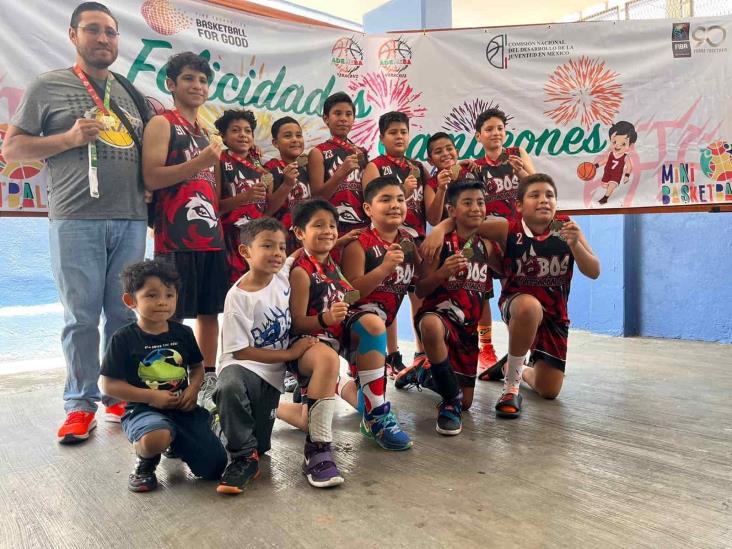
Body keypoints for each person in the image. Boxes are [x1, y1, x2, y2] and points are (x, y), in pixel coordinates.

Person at [3, 2, 150, 441]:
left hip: (131, 219)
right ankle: (79, 404)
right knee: (80, 318)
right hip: (75, 218)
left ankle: (117, 395)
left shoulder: (128, 91)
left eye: (111, 32)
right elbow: (12, 151)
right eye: (94, 30)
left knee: (123, 317)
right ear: (73, 35)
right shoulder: (48, 85)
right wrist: (68, 138)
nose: (104, 39)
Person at [425, 174, 600, 418]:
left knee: (549, 390)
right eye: (535, 195)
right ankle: (511, 388)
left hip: (555, 316)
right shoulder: (507, 227)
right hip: (517, 304)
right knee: (529, 306)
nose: (543, 200)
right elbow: (466, 222)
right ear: (519, 206)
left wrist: (576, 245)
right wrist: (439, 229)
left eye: (550, 195)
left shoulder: (566, 227)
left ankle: (511, 366)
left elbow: (594, 271)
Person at [213, 217, 343, 493]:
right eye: (268, 246)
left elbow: (304, 251)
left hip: (271, 376)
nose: (277, 253)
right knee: (231, 390)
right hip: (244, 367)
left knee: (263, 445)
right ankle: (241, 458)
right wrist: (290, 353)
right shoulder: (239, 297)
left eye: (281, 247)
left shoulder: (283, 273)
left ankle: (237, 433)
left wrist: (341, 238)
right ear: (246, 252)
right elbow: (241, 351)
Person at [290, 199, 413, 451]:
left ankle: (374, 415)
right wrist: (325, 319)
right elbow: (296, 324)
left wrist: (340, 241)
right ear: (300, 232)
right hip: (311, 343)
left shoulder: (331, 257)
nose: (328, 231)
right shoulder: (301, 271)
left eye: (332, 225)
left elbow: (349, 292)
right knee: (308, 420)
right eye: (318, 226)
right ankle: (272, 410)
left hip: (336, 334)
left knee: (373, 328)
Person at [142, 52, 226, 413]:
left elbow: (213, 193)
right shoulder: (163, 124)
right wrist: (198, 163)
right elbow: (152, 177)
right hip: (174, 237)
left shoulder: (207, 133)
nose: (198, 86)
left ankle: (206, 380)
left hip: (211, 238)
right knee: (169, 314)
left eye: (203, 81)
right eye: (189, 79)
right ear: (171, 85)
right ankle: (169, 382)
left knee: (210, 312)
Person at [100, 259, 227, 492]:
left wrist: (192, 390)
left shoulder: (183, 333)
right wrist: (149, 396)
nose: (162, 302)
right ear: (131, 301)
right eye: (151, 295)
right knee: (156, 436)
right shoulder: (123, 338)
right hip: (143, 410)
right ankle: (145, 461)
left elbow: (197, 367)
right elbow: (107, 384)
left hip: (183, 410)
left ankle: (176, 440)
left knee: (215, 468)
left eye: (169, 295)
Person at [414, 180, 494, 435]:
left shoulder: (488, 243)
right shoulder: (439, 242)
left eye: (480, 202)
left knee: (468, 403)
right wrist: (441, 273)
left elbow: (486, 294)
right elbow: (420, 289)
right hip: (439, 315)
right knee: (430, 324)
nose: (475, 208)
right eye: (467, 203)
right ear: (452, 210)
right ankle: (449, 402)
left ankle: (423, 372)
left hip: (467, 330)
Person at [341, 176, 419, 410]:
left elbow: (422, 285)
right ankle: (334, 379)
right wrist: (384, 269)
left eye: (400, 199)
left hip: (378, 327)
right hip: (352, 326)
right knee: (373, 407)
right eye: (385, 199)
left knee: (365, 406)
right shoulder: (358, 243)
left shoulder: (408, 241)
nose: (395, 205)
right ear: (368, 209)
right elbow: (349, 296)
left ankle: (424, 368)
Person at [361, 112, 427, 377]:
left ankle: (421, 353)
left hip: (414, 239)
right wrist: (405, 192)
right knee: (384, 291)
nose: (399, 136)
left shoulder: (418, 167)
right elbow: (372, 200)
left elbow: (431, 213)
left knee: (416, 295)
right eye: (393, 132)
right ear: (381, 137)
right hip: (385, 239)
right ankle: (391, 353)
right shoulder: (375, 166)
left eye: (403, 132)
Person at [473, 108, 536, 378]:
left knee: (518, 291)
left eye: (499, 128)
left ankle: (521, 353)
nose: (495, 133)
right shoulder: (475, 167)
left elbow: (535, 187)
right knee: (484, 291)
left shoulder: (517, 154)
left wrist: (521, 173)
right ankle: (485, 347)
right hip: (490, 237)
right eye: (489, 129)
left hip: (518, 234)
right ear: (479, 136)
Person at [214, 109, 270, 283]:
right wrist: (246, 196)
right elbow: (215, 206)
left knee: (257, 289)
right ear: (223, 136)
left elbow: (267, 208)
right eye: (235, 130)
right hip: (229, 239)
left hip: (257, 239)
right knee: (233, 290)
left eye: (247, 131)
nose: (243, 135)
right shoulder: (219, 160)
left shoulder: (259, 165)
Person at [307, 92, 369, 237]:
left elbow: (369, 192)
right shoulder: (318, 152)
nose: (343, 119)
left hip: (363, 224)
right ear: (326, 119)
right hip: (332, 226)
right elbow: (316, 197)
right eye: (337, 113)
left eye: (348, 114)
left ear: (354, 119)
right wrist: (341, 173)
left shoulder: (361, 152)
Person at [263, 116, 312, 254]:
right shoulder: (269, 169)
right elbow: (266, 210)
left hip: (305, 238)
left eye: (298, 135)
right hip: (280, 240)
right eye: (287, 136)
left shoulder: (307, 169)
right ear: (275, 143)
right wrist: (286, 184)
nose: (295, 139)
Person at [596, 121, 637, 205]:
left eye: (623, 144)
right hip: (607, 173)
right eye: (614, 142)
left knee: (612, 185)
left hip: (616, 175)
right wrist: (595, 165)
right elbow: (604, 161)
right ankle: (608, 191)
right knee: (604, 185)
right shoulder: (610, 154)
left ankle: (605, 198)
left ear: (630, 145)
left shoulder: (625, 157)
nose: (618, 146)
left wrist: (627, 175)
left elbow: (629, 167)